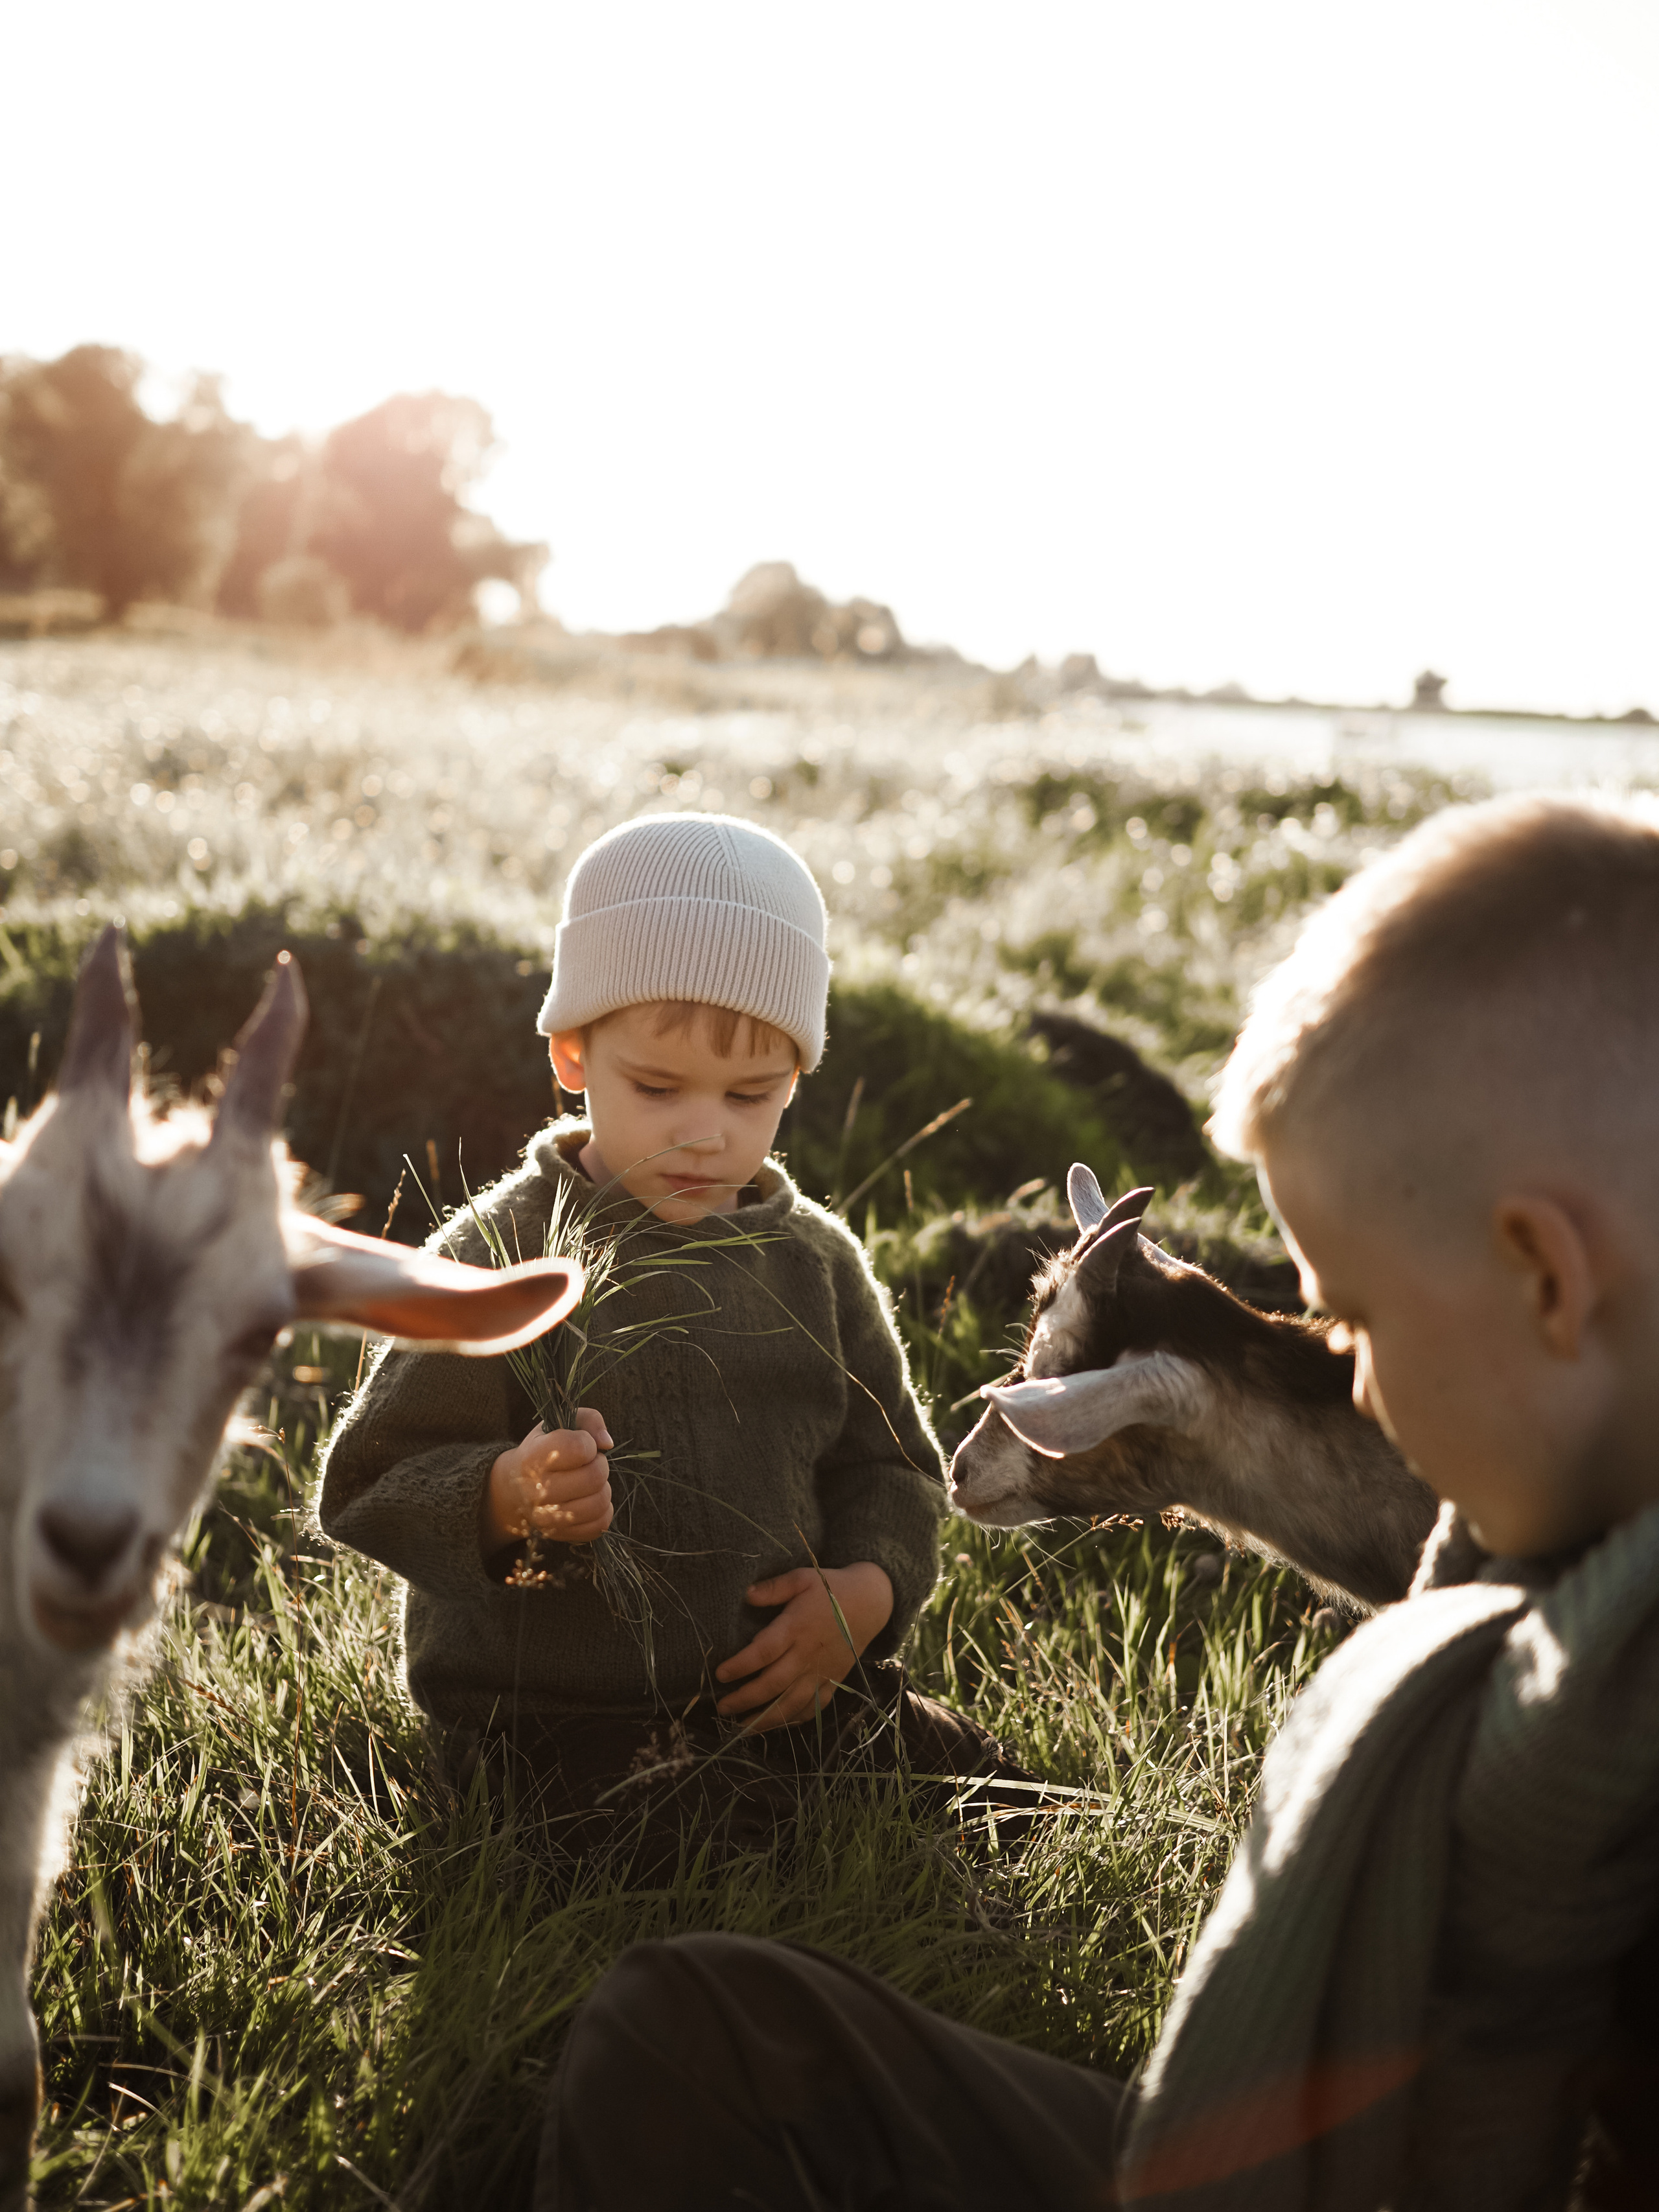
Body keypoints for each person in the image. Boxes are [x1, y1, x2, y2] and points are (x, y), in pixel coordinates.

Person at [535, 792, 1659, 2210]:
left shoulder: (1606, 1720)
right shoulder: (1534, 1604)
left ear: (1544, 1280)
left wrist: (870, 1580)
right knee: (694, 2039)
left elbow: (882, 1470)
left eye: (1351, 1320)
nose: (1358, 1389)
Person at [318, 811, 1028, 1870]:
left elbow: (893, 1468)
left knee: (999, 1793)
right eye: (658, 1088)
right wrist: (505, 1496)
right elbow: (372, 1479)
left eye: (752, 1095)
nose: (707, 1131)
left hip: (791, 1693)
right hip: (552, 1721)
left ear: (799, 1073)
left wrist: (867, 1595)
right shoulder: (500, 1251)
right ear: (573, 1054)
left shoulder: (816, 1264)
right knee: (667, 1853)